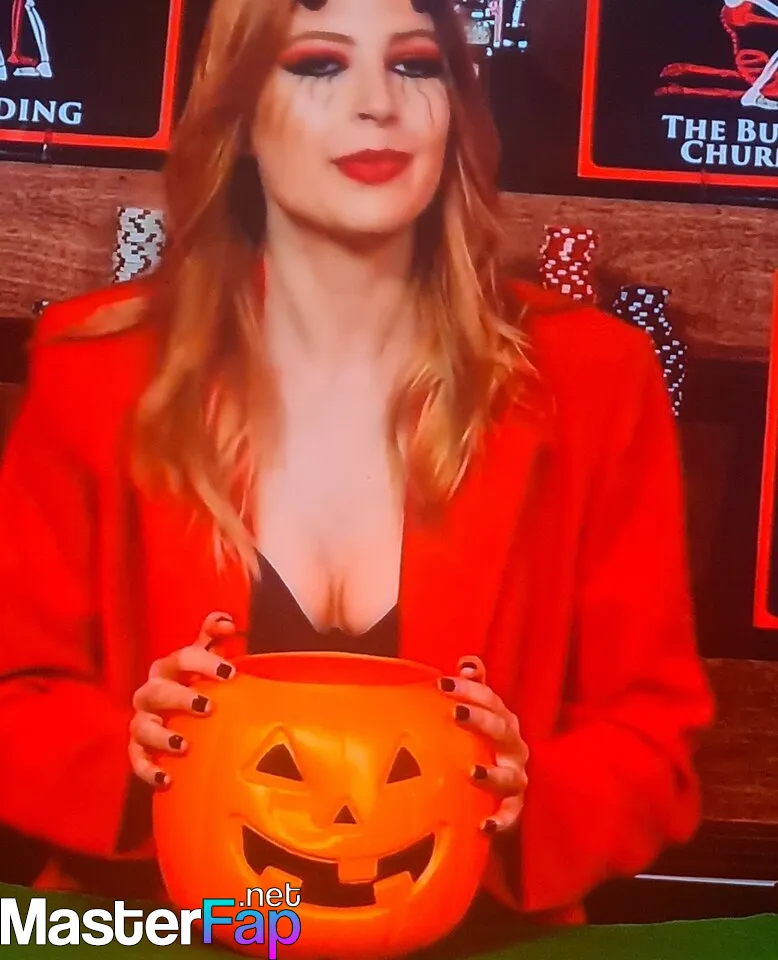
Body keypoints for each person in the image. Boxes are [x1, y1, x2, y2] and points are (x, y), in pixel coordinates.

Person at [0, 0, 712, 938]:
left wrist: (525, 788)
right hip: (149, 923)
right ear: (240, 117)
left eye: (415, 65)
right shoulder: (95, 365)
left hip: (474, 939)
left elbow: (654, 740)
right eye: (319, 65)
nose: (378, 102)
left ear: (456, 112)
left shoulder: (593, 377)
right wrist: (129, 752)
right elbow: (15, 697)